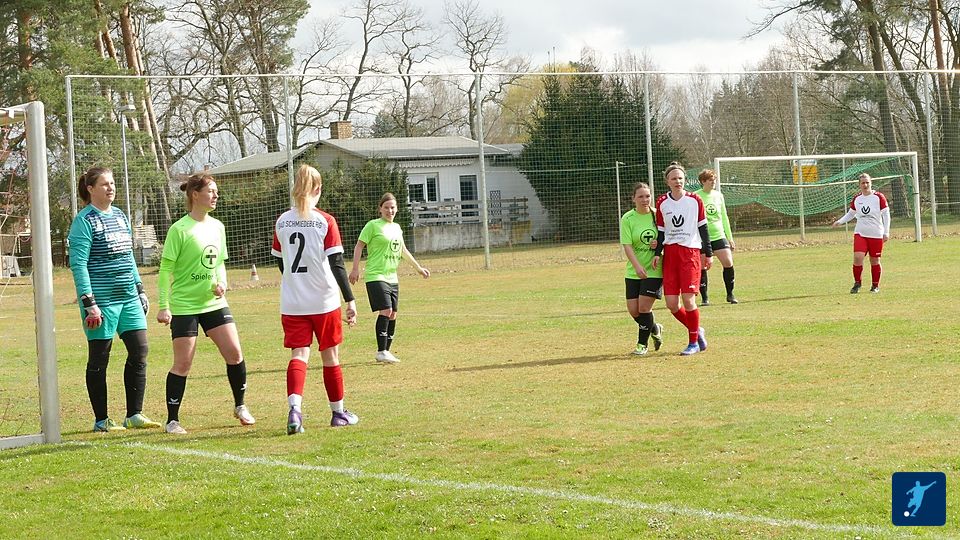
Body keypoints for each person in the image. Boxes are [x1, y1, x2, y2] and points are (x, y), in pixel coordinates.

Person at [155, 173, 255, 434]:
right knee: (183, 364)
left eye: (216, 191)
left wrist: (222, 282)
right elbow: (165, 270)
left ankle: (240, 406)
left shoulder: (218, 227)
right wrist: (164, 306)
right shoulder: (179, 229)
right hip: (184, 306)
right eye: (211, 191)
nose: (215, 195)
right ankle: (172, 420)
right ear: (195, 194)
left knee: (235, 353)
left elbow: (219, 262)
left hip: (213, 304)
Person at [68, 166, 161, 432]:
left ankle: (134, 415)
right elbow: (79, 264)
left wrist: (140, 289)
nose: (111, 188)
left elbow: (128, 256)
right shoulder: (84, 221)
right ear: (90, 189)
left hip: (128, 297)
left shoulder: (120, 216)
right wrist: (89, 302)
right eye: (104, 184)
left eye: (112, 183)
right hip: (102, 302)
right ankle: (101, 420)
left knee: (140, 351)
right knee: (100, 358)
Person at [272, 165, 359, 433]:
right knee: (330, 356)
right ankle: (338, 413)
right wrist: (350, 299)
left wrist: (296, 283)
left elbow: (281, 263)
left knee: (299, 354)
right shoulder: (325, 221)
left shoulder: (282, 221)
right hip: (323, 301)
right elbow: (337, 264)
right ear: (318, 189)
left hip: (292, 302)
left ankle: (295, 411)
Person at [349, 193, 430, 364]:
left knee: (393, 314)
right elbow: (359, 246)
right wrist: (355, 269)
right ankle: (382, 351)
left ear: (397, 209)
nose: (389, 210)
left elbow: (403, 251)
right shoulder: (372, 225)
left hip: (392, 277)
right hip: (375, 276)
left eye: (392, 207)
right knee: (386, 310)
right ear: (380, 209)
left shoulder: (397, 228)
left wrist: (419, 269)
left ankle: (386, 351)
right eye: (386, 207)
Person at [652, 161, 712, 356]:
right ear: (667, 181)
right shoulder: (662, 202)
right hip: (670, 255)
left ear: (685, 180)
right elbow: (661, 231)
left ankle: (693, 342)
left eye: (680, 178)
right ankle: (697, 330)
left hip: (690, 254)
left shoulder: (695, 200)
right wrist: (657, 253)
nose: (677, 181)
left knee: (688, 300)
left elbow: (703, 228)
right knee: (671, 303)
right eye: (673, 178)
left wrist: (708, 253)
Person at [620, 182, 664, 356]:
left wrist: (659, 245)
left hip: (654, 269)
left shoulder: (658, 215)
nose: (645, 200)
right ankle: (654, 327)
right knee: (634, 310)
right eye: (640, 197)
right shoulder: (628, 218)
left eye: (647, 196)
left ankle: (642, 345)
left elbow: (668, 238)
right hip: (634, 270)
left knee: (644, 308)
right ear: (633, 199)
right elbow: (627, 245)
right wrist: (637, 267)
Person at [832, 173, 890, 293]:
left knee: (874, 260)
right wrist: (840, 221)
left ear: (871, 183)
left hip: (876, 234)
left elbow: (886, 215)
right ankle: (857, 283)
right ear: (859, 185)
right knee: (858, 257)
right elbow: (851, 213)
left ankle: (875, 286)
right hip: (860, 233)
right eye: (863, 183)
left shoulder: (879, 197)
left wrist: (886, 232)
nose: (865, 185)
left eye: (867, 182)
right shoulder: (857, 198)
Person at [694, 169, 738, 305]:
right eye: (710, 180)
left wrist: (729, 237)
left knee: (728, 262)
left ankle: (730, 294)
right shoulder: (696, 196)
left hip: (719, 235)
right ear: (703, 181)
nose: (713, 182)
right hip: (702, 238)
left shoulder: (719, 196)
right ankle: (705, 298)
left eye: (714, 180)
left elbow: (724, 217)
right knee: (703, 266)